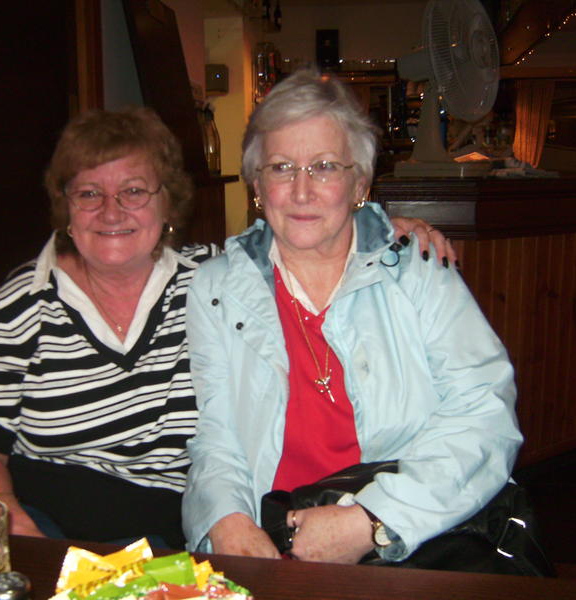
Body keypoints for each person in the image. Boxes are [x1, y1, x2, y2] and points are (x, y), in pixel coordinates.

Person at [0, 105, 451, 547]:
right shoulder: (22, 298)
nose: (111, 212)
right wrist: (7, 516)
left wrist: (384, 231)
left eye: (134, 191)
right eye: (89, 193)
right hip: (43, 525)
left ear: (167, 203)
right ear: (66, 207)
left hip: (171, 539)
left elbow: (310, 241)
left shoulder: (214, 281)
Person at [182, 69, 523, 564]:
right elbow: (217, 435)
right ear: (257, 184)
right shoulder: (215, 288)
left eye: (324, 167)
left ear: (359, 182)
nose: (301, 191)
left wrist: (375, 521)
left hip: (409, 536)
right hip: (273, 535)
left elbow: (484, 413)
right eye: (281, 167)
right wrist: (226, 520)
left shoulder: (417, 269)